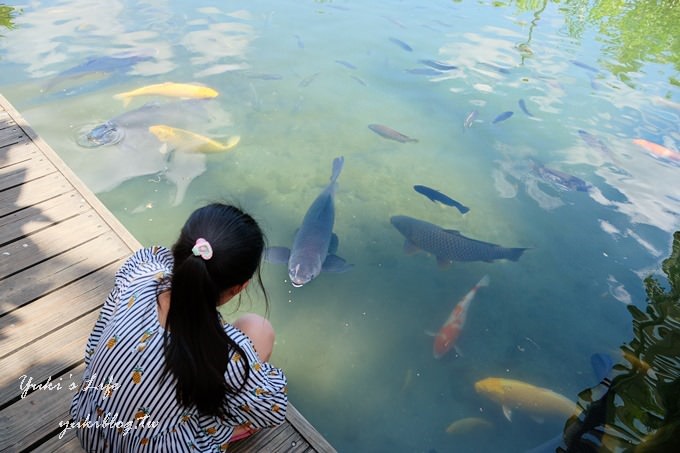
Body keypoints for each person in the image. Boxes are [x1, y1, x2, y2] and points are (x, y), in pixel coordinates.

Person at [70, 203, 288, 452]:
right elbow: (271, 410)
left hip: (88, 425)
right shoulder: (224, 355)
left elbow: (93, 347)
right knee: (259, 329)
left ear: (181, 247)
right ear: (240, 286)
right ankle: (225, 431)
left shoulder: (140, 272)